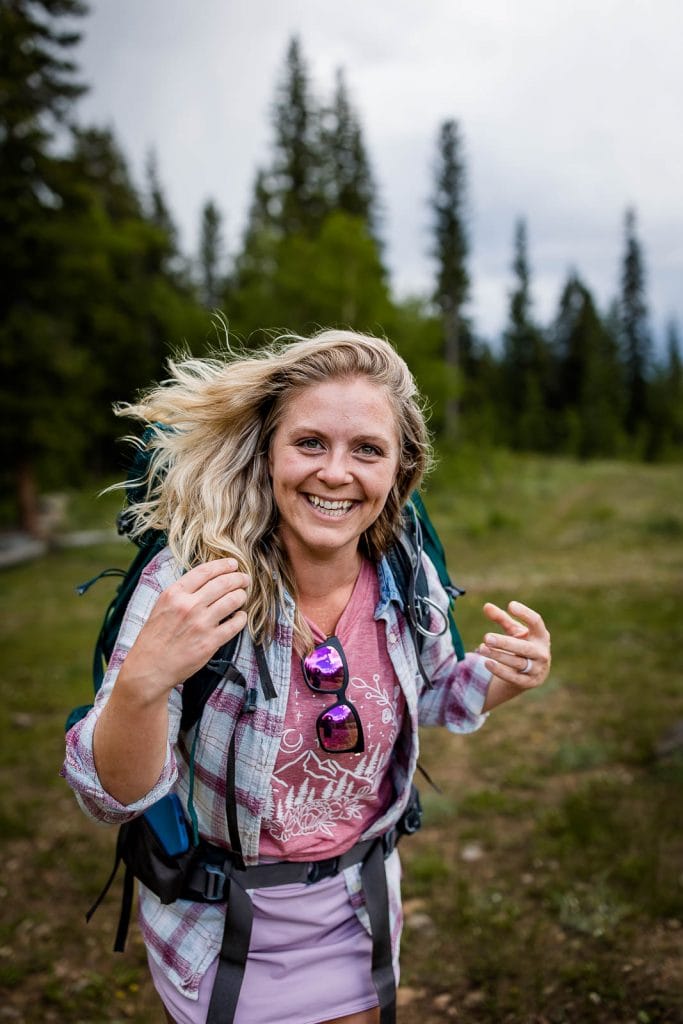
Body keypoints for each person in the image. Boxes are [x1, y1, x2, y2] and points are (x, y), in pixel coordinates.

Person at [62, 330, 551, 1024]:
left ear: (401, 469)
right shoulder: (191, 580)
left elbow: (436, 694)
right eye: (310, 443)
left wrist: (507, 675)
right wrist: (142, 682)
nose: (335, 473)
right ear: (268, 454)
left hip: (361, 913)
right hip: (220, 930)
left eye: (367, 450)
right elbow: (109, 795)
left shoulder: (405, 572)